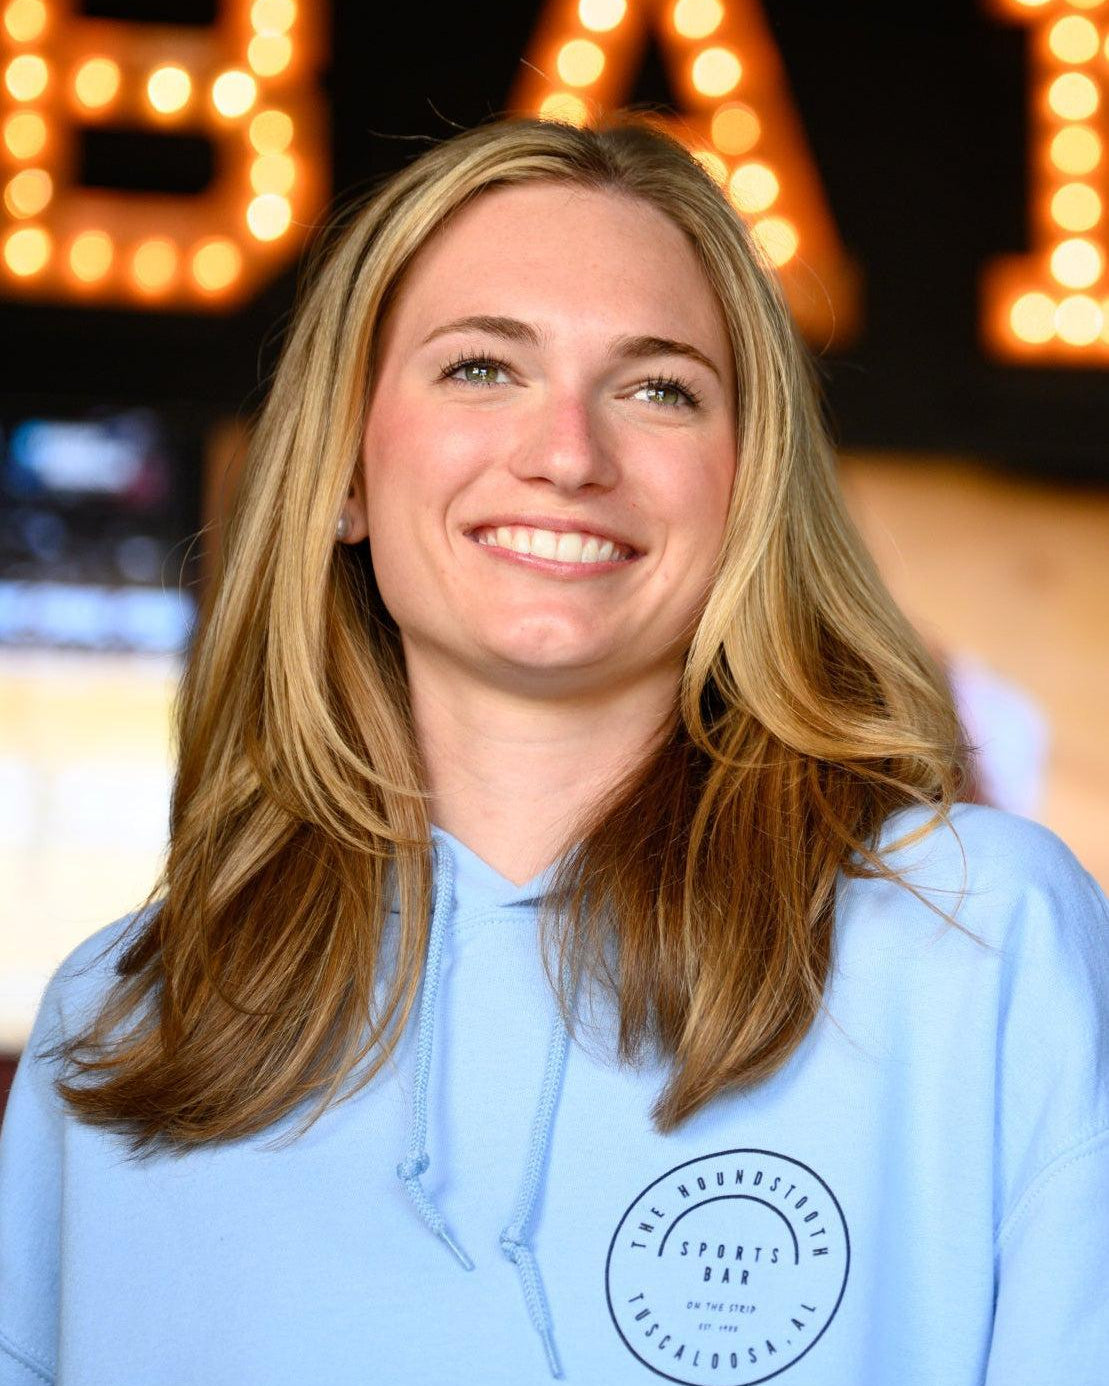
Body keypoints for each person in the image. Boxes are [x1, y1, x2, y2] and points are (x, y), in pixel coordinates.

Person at [1, 114, 1106, 1386]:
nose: (568, 455)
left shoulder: (976, 936)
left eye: (658, 389)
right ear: (346, 470)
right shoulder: (120, 1021)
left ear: (746, 491)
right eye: (480, 367)